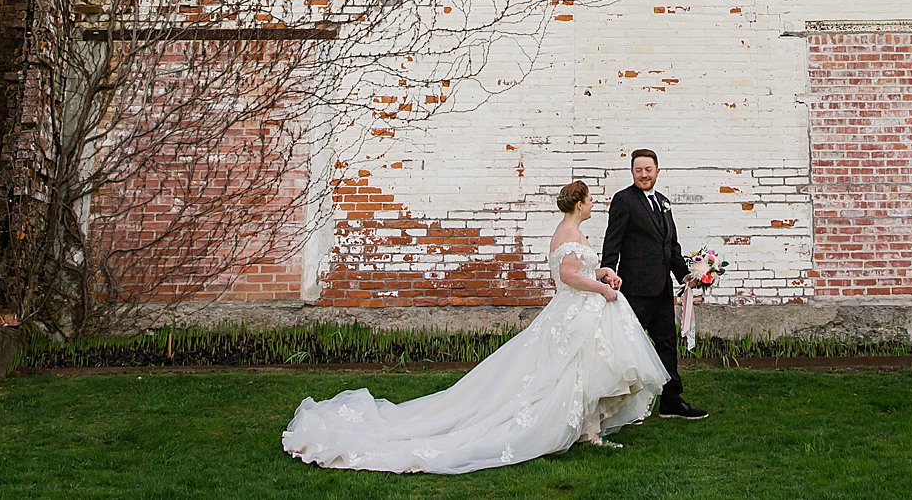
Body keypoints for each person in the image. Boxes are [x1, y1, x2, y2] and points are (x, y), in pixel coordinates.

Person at [281, 180, 668, 473]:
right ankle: (570, 427)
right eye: (589, 201)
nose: (592, 206)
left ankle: (589, 428)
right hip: (573, 311)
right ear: (579, 204)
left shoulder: (574, 233)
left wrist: (600, 272)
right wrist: (601, 287)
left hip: (581, 311)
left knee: (584, 369)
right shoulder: (567, 233)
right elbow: (568, 276)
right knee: (566, 371)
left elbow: (580, 268)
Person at [598, 148, 709, 420]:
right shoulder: (624, 201)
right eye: (638, 170)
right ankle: (611, 404)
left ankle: (671, 400)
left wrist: (684, 274)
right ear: (632, 172)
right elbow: (612, 241)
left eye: (648, 170)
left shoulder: (663, 202)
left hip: (661, 289)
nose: (644, 175)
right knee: (625, 345)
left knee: (666, 344)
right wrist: (608, 274)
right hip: (634, 288)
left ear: (658, 171)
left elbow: (670, 246)